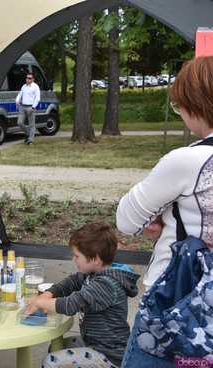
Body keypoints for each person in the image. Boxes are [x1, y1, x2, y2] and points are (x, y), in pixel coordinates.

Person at [116, 56, 213, 367]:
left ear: (195, 104)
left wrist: (163, 212)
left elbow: (127, 220)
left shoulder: (186, 160)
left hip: (178, 300)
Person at [26, 222, 140, 368]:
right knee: (58, 346)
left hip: (110, 355)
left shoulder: (106, 284)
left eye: (77, 256)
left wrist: (39, 302)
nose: (73, 260)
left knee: (51, 362)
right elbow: (72, 282)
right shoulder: (95, 272)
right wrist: (49, 293)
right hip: (95, 343)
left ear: (95, 259)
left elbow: (71, 304)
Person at [15, 72, 40, 145]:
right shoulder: (24, 86)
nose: (27, 79)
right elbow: (20, 94)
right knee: (19, 122)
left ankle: (30, 140)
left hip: (30, 107)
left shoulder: (35, 87)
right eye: (27, 78)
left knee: (31, 124)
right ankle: (28, 134)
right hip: (22, 106)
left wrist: (33, 107)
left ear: (33, 79)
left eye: (29, 78)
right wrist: (17, 100)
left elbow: (37, 98)